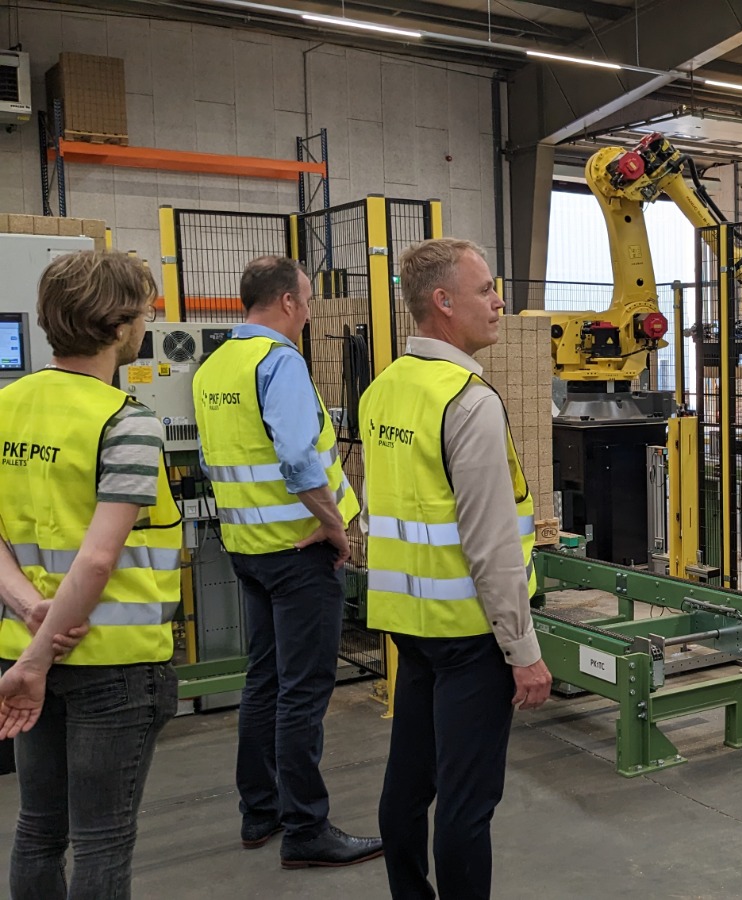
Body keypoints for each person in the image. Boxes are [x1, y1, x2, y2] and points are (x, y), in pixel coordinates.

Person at [363, 238, 552, 900]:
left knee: (408, 784)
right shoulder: (468, 401)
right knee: (468, 803)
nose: (499, 302)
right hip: (471, 634)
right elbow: (492, 546)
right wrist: (523, 651)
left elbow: (382, 511)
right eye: (486, 289)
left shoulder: (384, 390)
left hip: (408, 623)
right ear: (443, 301)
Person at [0, 250, 180, 899]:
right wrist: (40, 658)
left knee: (38, 828)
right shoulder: (126, 421)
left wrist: (30, 613)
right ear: (118, 326)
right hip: (113, 663)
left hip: (23, 648)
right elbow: (99, 558)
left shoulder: (6, 405)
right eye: (144, 313)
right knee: (102, 840)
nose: (147, 324)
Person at [190, 256, 380, 868]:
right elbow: (298, 458)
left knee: (264, 681)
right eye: (308, 299)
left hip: (247, 549)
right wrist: (335, 526)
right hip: (299, 552)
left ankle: (260, 811)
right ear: (289, 302)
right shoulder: (280, 362)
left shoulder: (214, 365)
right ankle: (306, 829)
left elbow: (218, 457)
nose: (310, 311)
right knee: (303, 691)